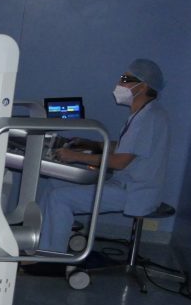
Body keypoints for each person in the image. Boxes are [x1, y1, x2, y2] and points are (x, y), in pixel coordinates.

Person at [35, 58, 169, 254]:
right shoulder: (145, 113)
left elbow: (120, 162)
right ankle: (40, 241)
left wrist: (75, 156)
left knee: (59, 198)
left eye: (125, 79)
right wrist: (92, 144)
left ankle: (53, 256)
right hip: (126, 183)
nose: (119, 83)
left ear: (143, 86)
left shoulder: (149, 118)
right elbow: (127, 147)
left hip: (134, 191)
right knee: (55, 184)